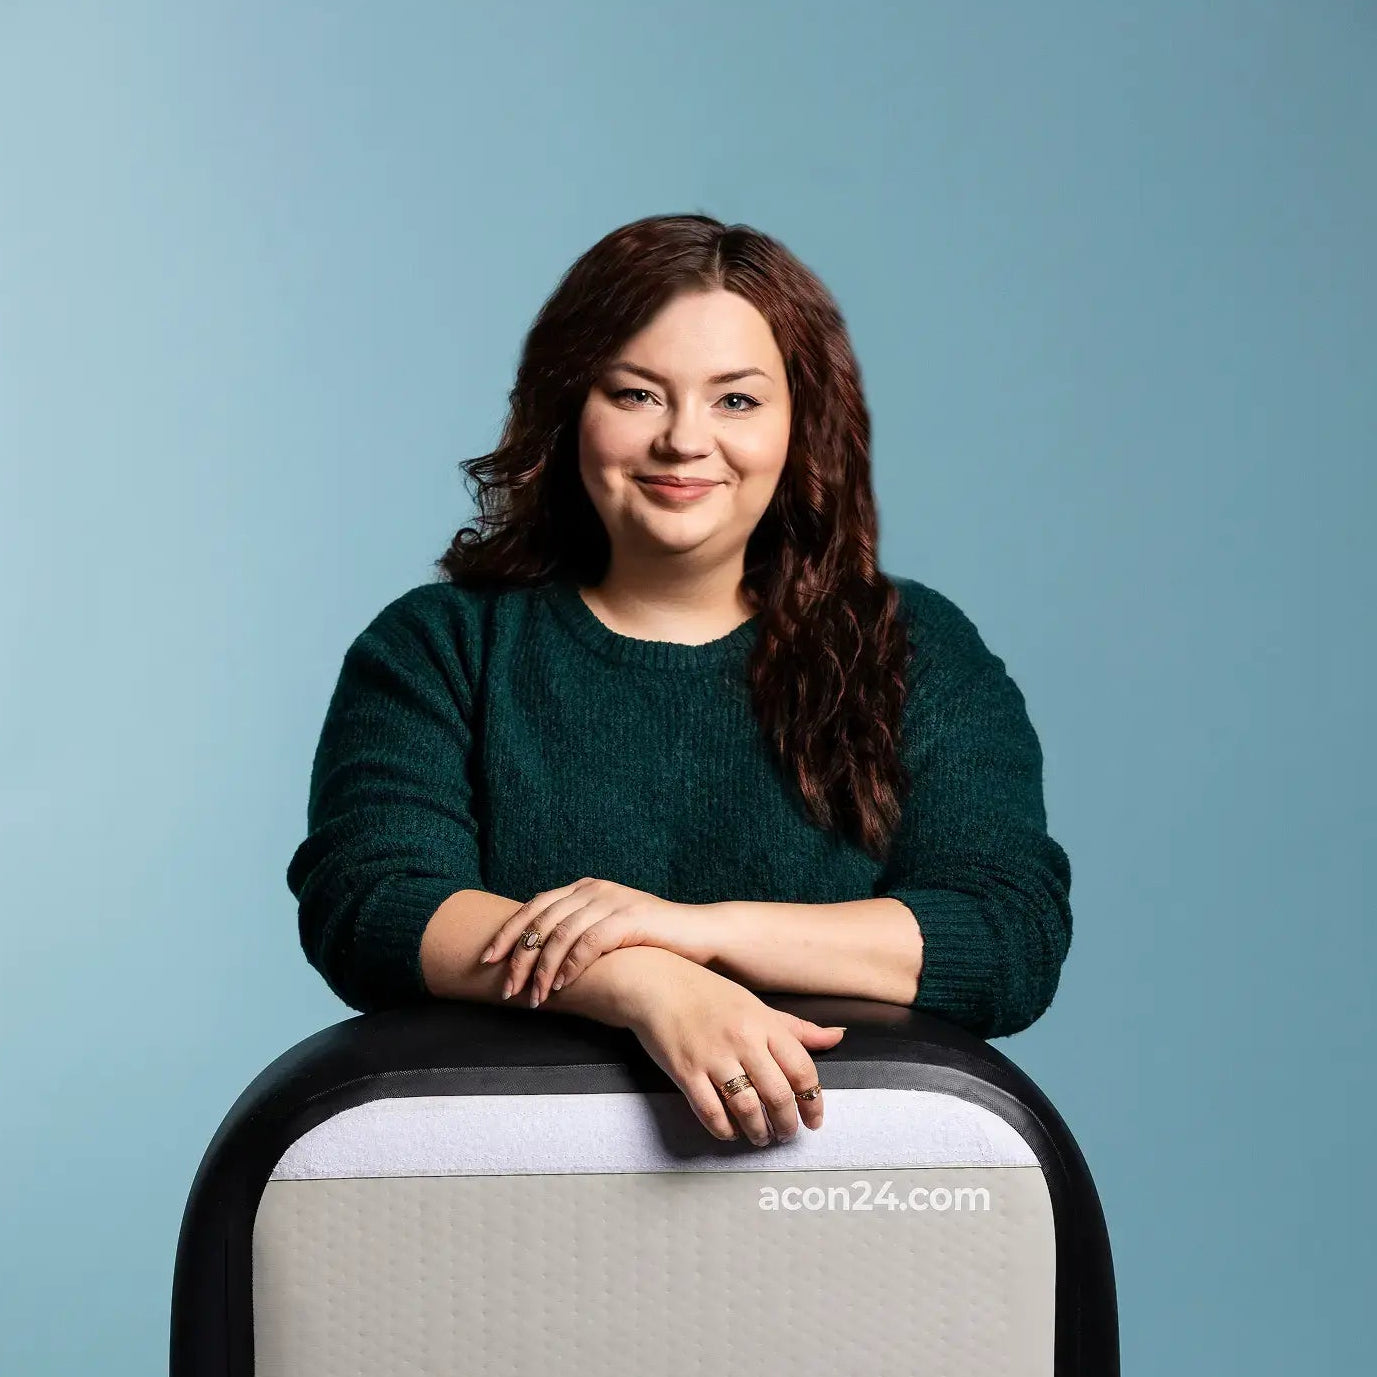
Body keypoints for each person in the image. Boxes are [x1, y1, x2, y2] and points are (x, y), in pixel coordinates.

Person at [286, 212, 1072, 1150]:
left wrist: (699, 932)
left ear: (802, 421)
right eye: (637, 394)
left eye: (735, 400)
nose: (684, 442)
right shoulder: (441, 646)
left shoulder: (917, 648)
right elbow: (373, 902)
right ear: (567, 404)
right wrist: (644, 982)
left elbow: (1003, 934)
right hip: (503, 1201)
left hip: (852, 1209)